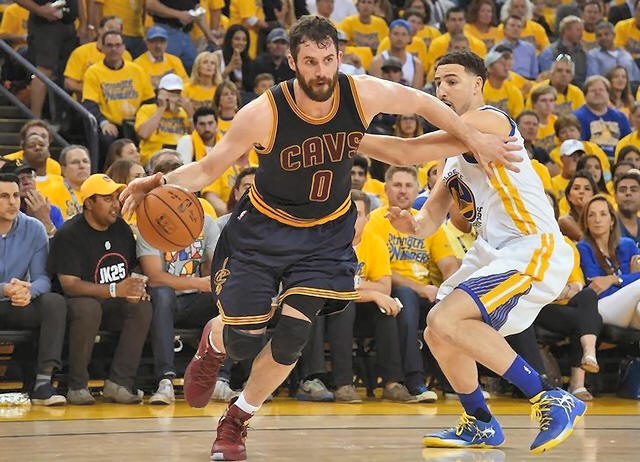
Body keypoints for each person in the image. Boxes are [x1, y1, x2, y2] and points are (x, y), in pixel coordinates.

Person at [119, 17, 518, 460]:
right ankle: (215, 343)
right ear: (292, 62)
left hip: (324, 235)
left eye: (328, 60)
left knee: (293, 335)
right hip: (262, 232)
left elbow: (424, 103)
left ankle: (236, 419)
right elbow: (209, 169)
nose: (321, 71)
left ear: (339, 57)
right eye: (310, 62)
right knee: (244, 340)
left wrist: (473, 139)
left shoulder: (361, 92)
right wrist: (159, 180)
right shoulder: (263, 112)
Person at [365, 50, 585, 453]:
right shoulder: (452, 158)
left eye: (452, 81)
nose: (442, 91)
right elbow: (429, 220)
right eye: (437, 83)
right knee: (437, 330)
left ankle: (550, 397)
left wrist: (343, 136)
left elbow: (403, 153)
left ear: (477, 84)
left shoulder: (489, 121)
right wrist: (410, 225)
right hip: (493, 252)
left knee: (445, 317)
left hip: (531, 244)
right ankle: (479, 421)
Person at [47, 174, 152, 405]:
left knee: (142, 307)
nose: (115, 204)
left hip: (112, 301)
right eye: (107, 199)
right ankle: (77, 385)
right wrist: (115, 290)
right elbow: (70, 284)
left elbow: (133, 265)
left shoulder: (121, 228)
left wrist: (136, 286)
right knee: (88, 308)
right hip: (75, 302)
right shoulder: (69, 234)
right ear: (89, 203)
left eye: (116, 198)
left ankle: (119, 383)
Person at [364, 166, 459, 401]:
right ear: (386, 189)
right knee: (406, 295)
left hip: (428, 292)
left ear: (417, 190)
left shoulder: (427, 223)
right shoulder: (375, 221)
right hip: (392, 292)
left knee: (457, 306)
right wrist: (420, 288)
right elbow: (384, 272)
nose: (403, 191)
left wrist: (449, 289)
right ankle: (415, 381)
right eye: (397, 185)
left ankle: (455, 384)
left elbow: (448, 264)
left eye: (408, 186)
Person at [137, 185, 218, 405]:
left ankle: (222, 379)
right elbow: (155, 277)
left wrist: (212, 273)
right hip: (164, 300)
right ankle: (165, 380)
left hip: (194, 300)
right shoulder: (149, 223)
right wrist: (198, 283)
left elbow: (215, 270)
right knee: (162, 294)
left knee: (225, 297)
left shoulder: (207, 222)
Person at [0, 173, 67, 406]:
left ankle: (42, 384)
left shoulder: (34, 228)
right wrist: (5, 289)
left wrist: (30, 291)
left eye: (15, 195)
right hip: (6, 295)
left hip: (17, 303)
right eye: (4, 196)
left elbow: (42, 278)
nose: (12, 202)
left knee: (54, 303)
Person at [535, 191, 602, 402]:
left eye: (548, 206)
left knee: (588, 296)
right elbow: (532, 287)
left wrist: (560, 290)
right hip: (535, 308)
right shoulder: (522, 241)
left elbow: (577, 284)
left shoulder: (565, 244)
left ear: (554, 212)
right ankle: (577, 383)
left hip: (562, 305)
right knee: (590, 319)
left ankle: (589, 353)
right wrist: (561, 290)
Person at [82, 31, 155, 160]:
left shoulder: (137, 70)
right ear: (102, 48)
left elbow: (149, 101)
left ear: (123, 47)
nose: (114, 49)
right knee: (107, 139)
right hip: (110, 123)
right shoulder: (93, 72)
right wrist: (103, 123)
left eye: (117, 45)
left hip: (135, 122)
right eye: (109, 45)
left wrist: (142, 121)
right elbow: (89, 104)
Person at [578, 194, 640, 330]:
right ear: (586, 222)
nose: (597, 220)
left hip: (630, 308)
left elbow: (608, 284)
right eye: (591, 215)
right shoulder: (583, 248)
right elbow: (598, 289)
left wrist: (614, 280)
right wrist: (632, 278)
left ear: (612, 220)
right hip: (603, 307)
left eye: (603, 214)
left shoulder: (628, 245)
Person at [16, 0, 87, 118]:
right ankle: (35, 119)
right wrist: (39, 10)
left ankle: (63, 119)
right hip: (45, 25)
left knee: (67, 74)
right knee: (44, 71)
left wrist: (83, 23)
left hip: (69, 23)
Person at [64, 16, 133, 97]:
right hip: (86, 100)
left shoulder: (126, 55)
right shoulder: (81, 52)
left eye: (117, 30)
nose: (112, 32)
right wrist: (93, 90)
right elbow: (69, 83)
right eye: (110, 28)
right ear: (100, 30)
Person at [135, 73, 193, 165]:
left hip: (179, 157)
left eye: (177, 93)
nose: (174, 97)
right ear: (160, 93)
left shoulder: (184, 112)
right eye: (170, 92)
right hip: (154, 158)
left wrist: (190, 114)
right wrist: (161, 108)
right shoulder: (147, 109)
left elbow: (195, 139)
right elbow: (143, 134)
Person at [146, 0, 218, 71]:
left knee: (194, 68)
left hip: (186, 34)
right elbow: (150, 4)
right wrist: (179, 15)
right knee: (165, 70)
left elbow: (197, 9)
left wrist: (209, 35)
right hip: (166, 31)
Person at [574, 75, 631, 158]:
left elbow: (628, 145)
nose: (597, 93)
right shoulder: (576, 117)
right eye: (593, 90)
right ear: (585, 95)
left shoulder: (620, 117)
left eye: (601, 90)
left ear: (608, 94)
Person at [0, 161, 62, 236]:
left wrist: (45, 220)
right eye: (20, 178)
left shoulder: (51, 211)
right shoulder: (4, 212)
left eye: (30, 177)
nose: (27, 182)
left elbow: (63, 242)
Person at [539, 15, 594, 88]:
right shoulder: (549, 51)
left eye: (581, 30)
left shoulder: (584, 54)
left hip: (580, 89)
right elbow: (548, 75)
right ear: (566, 30)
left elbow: (590, 77)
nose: (581, 34)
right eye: (578, 30)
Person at [41, 145, 91, 221]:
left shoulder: (99, 189)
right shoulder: (51, 191)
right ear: (63, 169)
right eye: (75, 162)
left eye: (85, 161)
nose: (82, 166)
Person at [370, 19, 424, 89]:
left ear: (409, 38)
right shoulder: (378, 61)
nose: (399, 38)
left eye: (404, 34)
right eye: (396, 34)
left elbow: (417, 92)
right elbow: (375, 89)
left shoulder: (416, 64)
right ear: (389, 35)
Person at [483, 49, 524, 118]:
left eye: (507, 64)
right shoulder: (481, 90)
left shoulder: (514, 91)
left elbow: (518, 118)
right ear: (489, 68)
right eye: (501, 64)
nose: (506, 67)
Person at [558, 169, 597, 241]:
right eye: (576, 188)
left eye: (587, 189)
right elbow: (585, 241)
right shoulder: (564, 221)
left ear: (594, 196)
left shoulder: (599, 220)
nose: (581, 192)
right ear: (569, 196)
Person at [496, 14, 538, 80]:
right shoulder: (496, 49)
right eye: (512, 25)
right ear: (504, 29)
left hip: (527, 83)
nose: (516, 28)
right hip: (507, 82)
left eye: (519, 26)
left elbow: (534, 75)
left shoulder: (530, 48)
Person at [215, 25, 253, 92]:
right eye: (237, 39)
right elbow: (213, 83)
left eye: (244, 40)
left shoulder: (248, 60)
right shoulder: (217, 56)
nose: (241, 43)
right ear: (229, 40)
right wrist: (230, 67)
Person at [615, 172, 640, 246]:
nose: (628, 193)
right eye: (622, 190)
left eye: (633, 190)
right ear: (615, 196)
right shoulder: (607, 227)